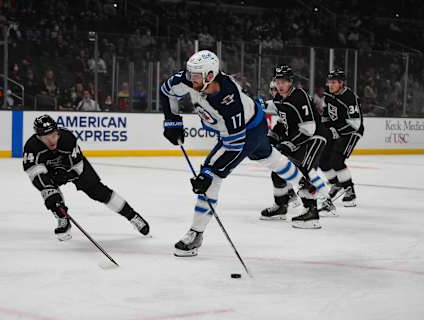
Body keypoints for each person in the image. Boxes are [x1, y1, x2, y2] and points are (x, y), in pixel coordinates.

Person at [160, 50, 316, 257]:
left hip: (246, 133)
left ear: (209, 76)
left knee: (212, 177)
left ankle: (196, 234)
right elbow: (167, 91)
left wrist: (207, 173)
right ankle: (304, 184)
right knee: (270, 157)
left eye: (195, 75)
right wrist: (172, 120)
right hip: (256, 123)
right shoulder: (191, 80)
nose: (190, 79)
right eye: (190, 73)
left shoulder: (228, 99)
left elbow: (234, 145)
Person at [22, 115, 150, 241]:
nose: (52, 141)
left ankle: (132, 216)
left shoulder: (67, 138)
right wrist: (49, 190)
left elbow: (78, 167)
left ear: (57, 131)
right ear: (39, 137)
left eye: (54, 135)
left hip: (72, 168)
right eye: (46, 138)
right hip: (50, 172)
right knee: (50, 195)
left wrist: (67, 175)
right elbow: (35, 174)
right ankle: (62, 218)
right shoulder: (31, 147)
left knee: (99, 192)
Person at [261, 65, 336, 225]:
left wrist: (289, 144)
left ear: (290, 82)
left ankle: (312, 212)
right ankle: (281, 206)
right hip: (300, 139)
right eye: (277, 81)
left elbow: (309, 128)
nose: (280, 85)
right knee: (279, 169)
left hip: (314, 138)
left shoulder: (299, 96)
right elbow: (282, 122)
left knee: (303, 172)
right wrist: (271, 137)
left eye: (284, 82)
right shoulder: (280, 99)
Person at [320, 68, 364, 207]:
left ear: (341, 83)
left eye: (333, 82)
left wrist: (336, 131)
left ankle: (350, 191)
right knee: (322, 160)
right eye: (329, 82)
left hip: (351, 132)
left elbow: (355, 124)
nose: (330, 85)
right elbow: (326, 115)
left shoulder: (350, 98)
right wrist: (324, 129)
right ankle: (336, 184)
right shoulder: (328, 94)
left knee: (336, 160)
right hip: (336, 130)